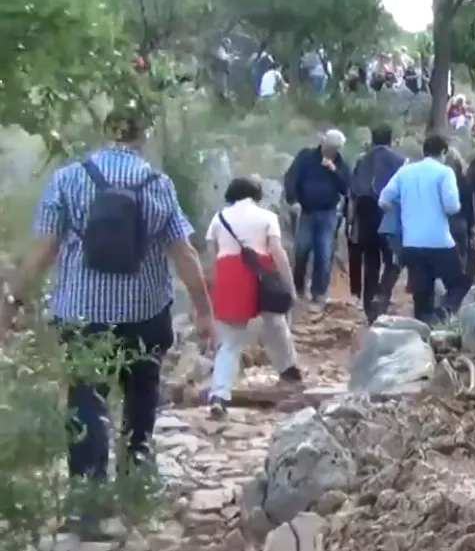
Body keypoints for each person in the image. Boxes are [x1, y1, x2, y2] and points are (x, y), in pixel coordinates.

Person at [0, 107, 213, 540]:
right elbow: (185, 253)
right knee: (142, 392)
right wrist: (204, 312)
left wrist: (11, 301)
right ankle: (136, 479)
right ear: (143, 135)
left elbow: (42, 249)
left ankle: (87, 501)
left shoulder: (69, 178)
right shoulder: (158, 184)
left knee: (85, 397)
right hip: (145, 315)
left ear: (106, 131)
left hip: (81, 315)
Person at [205, 177, 301, 418]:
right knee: (276, 324)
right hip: (262, 274)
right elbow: (277, 252)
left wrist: (213, 288)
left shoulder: (219, 218)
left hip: (229, 274)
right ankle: (288, 370)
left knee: (229, 341)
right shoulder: (266, 217)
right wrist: (290, 285)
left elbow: (212, 255)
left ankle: (219, 394)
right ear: (257, 196)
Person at [378, 135, 469, 324]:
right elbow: (452, 206)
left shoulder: (405, 172)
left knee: (422, 293)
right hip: (439, 241)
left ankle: (423, 330)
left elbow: (384, 199)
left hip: (411, 242)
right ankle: (444, 311)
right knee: (459, 285)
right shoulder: (445, 173)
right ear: (444, 152)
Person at [283, 130, 350, 306]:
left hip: (327, 213)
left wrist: (334, 170)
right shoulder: (306, 156)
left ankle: (319, 292)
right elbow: (291, 177)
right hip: (305, 211)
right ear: (323, 144)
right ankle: (298, 288)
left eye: (335, 149)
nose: (331, 152)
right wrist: (293, 200)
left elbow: (347, 188)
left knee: (324, 253)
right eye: (329, 148)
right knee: (301, 250)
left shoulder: (341, 163)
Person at [347, 124, 405, 322]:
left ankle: (369, 305)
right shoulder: (399, 161)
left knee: (371, 262)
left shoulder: (361, 161)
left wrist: (350, 222)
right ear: (391, 139)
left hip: (365, 218)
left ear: (372, 138)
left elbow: (352, 192)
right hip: (389, 218)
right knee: (393, 261)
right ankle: (382, 294)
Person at [444, 147, 475, 268]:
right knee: (461, 256)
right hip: (461, 222)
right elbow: (470, 208)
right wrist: (472, 229)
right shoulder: (465, 181)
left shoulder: (439, 179)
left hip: (443, 222)